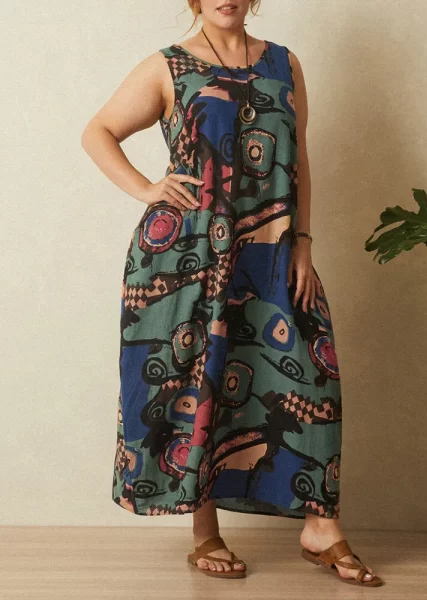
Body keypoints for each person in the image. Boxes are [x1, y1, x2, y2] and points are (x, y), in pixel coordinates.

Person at [81, 0, 383, 587]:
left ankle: (321, 528)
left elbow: (298, 159)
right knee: (201, 379)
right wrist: (147, 188)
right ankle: (205, 531)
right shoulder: (168, 66)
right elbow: (98, 132)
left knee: (310, 374)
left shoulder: (284, 63)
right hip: (186, 255)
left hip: (270, 249)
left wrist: (302, 242)